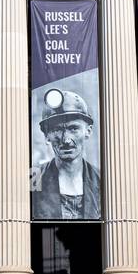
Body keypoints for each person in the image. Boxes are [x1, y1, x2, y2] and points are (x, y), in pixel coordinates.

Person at [31, 88, 102, 220]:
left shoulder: (103, 180)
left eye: (73, 128)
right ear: (47, 135)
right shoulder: (32, 179)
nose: (66, 140)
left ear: (88, 131)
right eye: (57, 129)